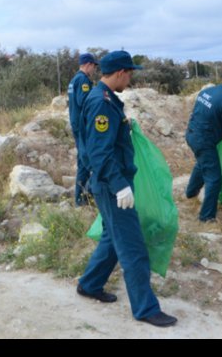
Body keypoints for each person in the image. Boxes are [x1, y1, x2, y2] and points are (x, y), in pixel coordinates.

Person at [76, 50, 177, 328]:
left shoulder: (107, 100)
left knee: (112, 238)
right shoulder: (101, 102)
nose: (130, 79)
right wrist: (120, 186)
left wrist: (124, 126)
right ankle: (145, 308)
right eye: (130, 73)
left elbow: (105, 140)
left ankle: (90, 284)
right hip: (112, 184)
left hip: (112, 181)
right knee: (132, 246)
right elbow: (99, 152)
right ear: (120, 72)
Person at [184, 69, 222, 222]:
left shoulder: (207, 92)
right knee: (214, 179)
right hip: (204, 141)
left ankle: (190, 193)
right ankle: (207, 217)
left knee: (202, 163)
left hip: (191, 134)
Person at [67, 52, 99, 206]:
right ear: (88, 65)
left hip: (76, 124)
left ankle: (82, 196)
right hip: (83, 127)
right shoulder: (83, 80)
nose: (94, 70)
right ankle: (84, 197)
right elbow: (85, 102)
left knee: (83, 159)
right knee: (87, 160)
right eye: (94, 66)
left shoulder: (74, 80)